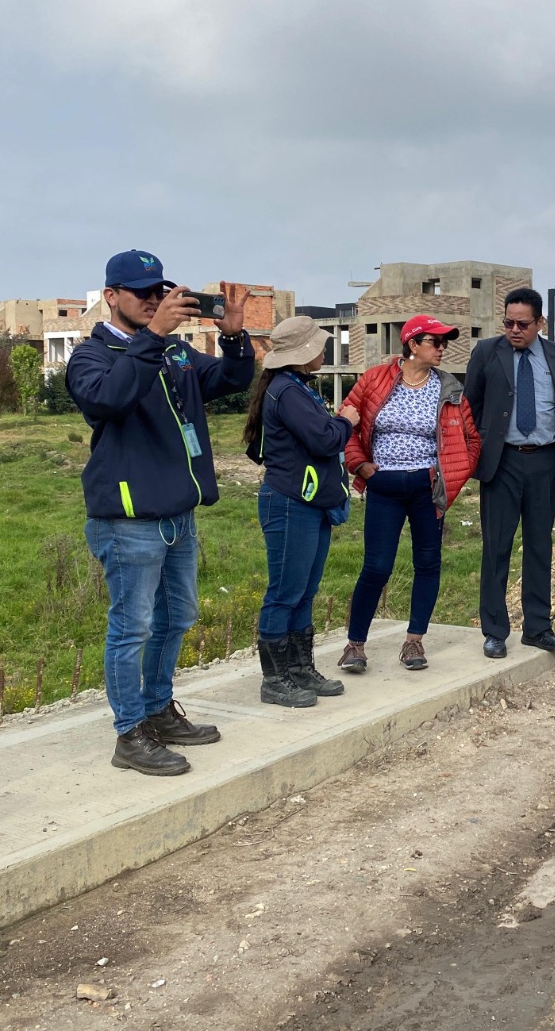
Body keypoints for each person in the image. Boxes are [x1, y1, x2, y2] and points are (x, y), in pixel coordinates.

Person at [67, 252, 254, 777]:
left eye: (160, 291)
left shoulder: (174, 352)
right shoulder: (92, 356)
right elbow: (108, 399)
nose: (153, 300)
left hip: (177, 513)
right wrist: (152, 337)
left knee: (176, 619)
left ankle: (158, 708)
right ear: (111, 296)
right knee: (132, 628)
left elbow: (228, 380)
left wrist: (235, 338)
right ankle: (130, 733)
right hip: (128, 520)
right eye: (141, 292)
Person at [337, 315, 482, 672]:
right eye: (435, 341)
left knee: (428, 563)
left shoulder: (448, 388)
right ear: (413, 345)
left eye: (444, 342)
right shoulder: (375, 379)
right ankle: (355, 646)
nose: (442, 348)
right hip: (383, 485)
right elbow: (347, 421)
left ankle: (414, 642)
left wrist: (452, 478)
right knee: (376, 566)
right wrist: (360, 466)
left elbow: (471, 440)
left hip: (426, 489)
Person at [245, 315, 359, 704]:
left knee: (304, 591)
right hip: (292, 503)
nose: (324, 350)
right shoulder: (289, 392)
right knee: (285, 592)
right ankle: (274, 681)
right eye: (318, 345)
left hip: (309, 502)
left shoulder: (293, 387)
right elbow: (324, 440)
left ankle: (298, 670)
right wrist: (345, 422)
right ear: (302, 353)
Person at [463, 287, 555, 658]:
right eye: (508, 322)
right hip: (502, 463)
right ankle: (495, 631)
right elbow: (471, 407)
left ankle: (538, 628)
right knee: (497, 547)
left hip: (544, 461)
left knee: (540, 547)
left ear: (540, 323)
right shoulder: (486, 353)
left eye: (522, 324)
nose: (514, 329)